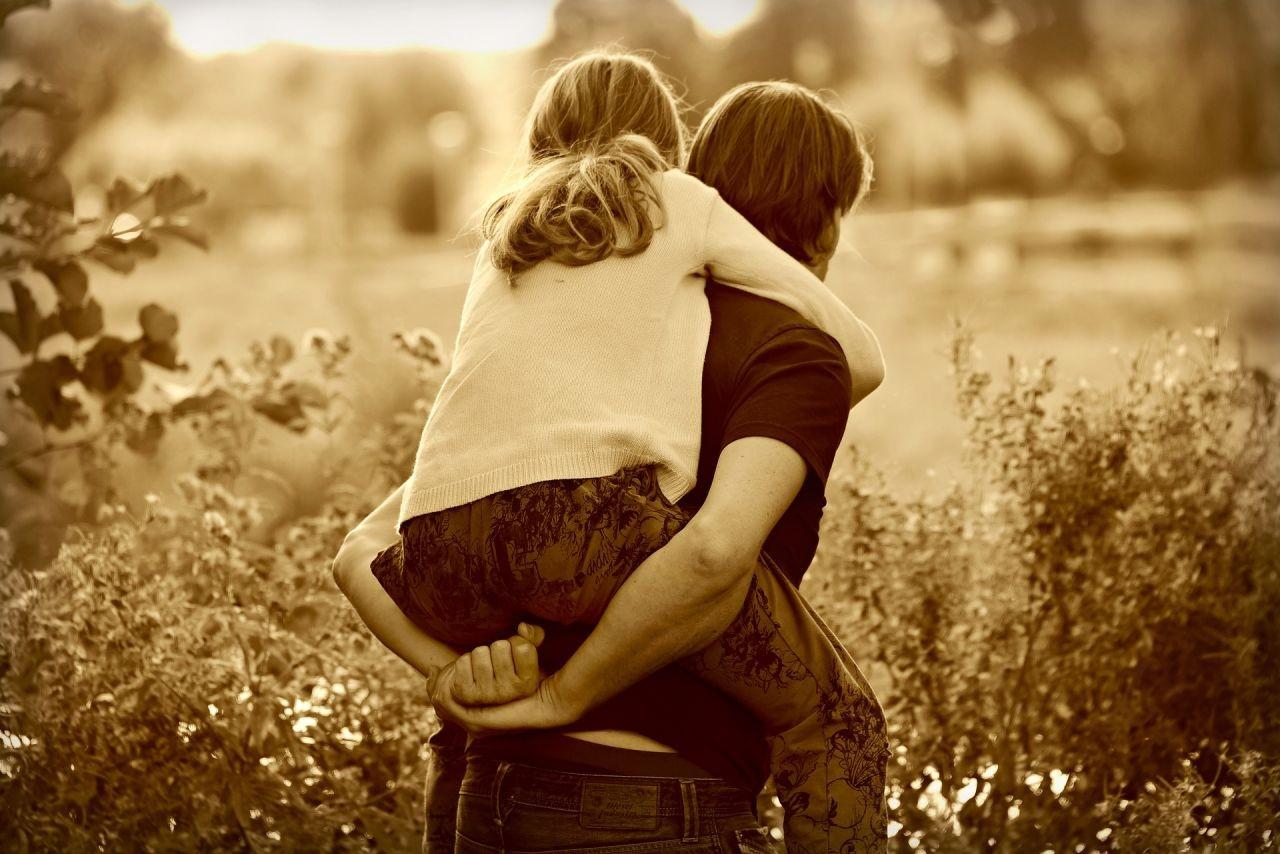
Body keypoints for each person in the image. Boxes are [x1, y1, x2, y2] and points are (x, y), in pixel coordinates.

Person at [334, 57, 889, 852]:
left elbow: (359, 552)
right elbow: (714, 552)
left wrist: (445, 674)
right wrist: (565, 695)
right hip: (659, 808)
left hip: (487, 795)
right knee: (845, 725)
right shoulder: (790, 352)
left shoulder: (532, 312)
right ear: (829, 218)